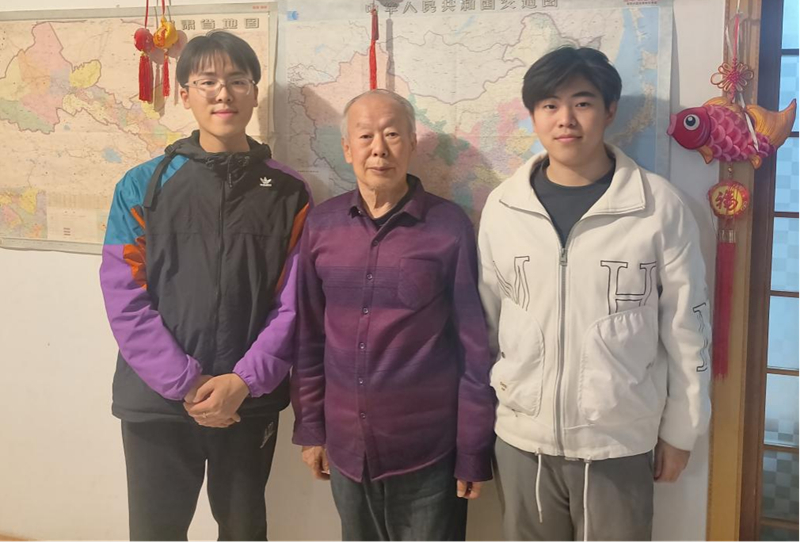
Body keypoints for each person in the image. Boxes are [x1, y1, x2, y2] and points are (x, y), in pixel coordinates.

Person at [477, 46, 711, 541]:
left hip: (617, 442)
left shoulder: (658, 207)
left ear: (609, 111)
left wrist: (682, 430)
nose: (565, 119)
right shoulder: (503, 206)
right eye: (550, 105)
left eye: (582, 103)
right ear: (533, 115)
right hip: (521, 441)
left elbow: (687, 327)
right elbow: (490, 321)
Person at [99, 31, 310, 541]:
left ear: (255, 93)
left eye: (238, 81)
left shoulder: (289, 192)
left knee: (243, 531)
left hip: (247, 401)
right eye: (207, 82)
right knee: (155, 532)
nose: (223, 94)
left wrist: (243, 382)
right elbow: (125, 297)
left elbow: (295, 302)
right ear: (184, 94)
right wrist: (187, 383)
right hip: (157, 401)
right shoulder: (142, 185)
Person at [291, 89, 496, 541]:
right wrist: (311, 430)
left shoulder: (448, 226)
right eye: (365, 136)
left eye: (392, 134)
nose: (379, 149)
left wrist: (473, 450)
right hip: (347, 451)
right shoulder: (322, 225)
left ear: (412, 144)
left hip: (428, 454)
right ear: (347, 148)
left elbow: (474, 348)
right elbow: (308, 338)